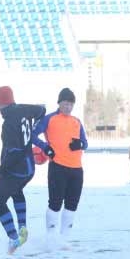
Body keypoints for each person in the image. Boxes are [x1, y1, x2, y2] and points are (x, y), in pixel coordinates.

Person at [0, 86, 45, 254]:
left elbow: (14, 153)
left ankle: (14, 238)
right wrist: (33, 128)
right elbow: (42, 110)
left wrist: (0, 170)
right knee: (16, 191)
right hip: (29, 168)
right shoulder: (24, 109)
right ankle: (22, 227)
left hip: (17, 169)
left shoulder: (8, 124)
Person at [33, 87, 88, 247]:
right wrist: (45, 147)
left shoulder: (76, 121)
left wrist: (80, 144)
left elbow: (85, 143)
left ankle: (64, 239)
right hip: (58, 167)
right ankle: (51, 237)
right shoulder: (50, 119)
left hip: (76, 169)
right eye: (65, 103)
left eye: (70, 104)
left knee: (72, 204)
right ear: (59, 103)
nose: (68, 107)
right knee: (55, 203)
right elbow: (32, 135)